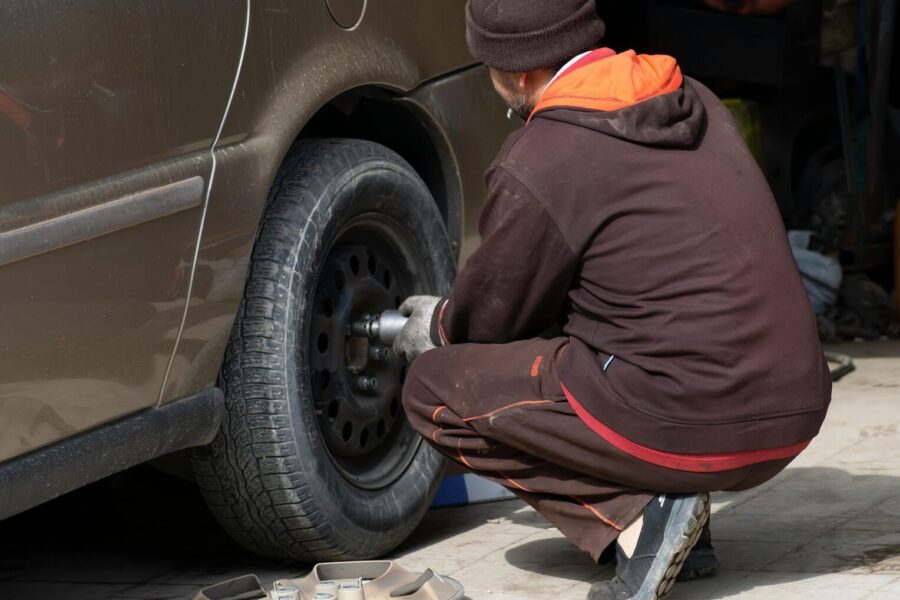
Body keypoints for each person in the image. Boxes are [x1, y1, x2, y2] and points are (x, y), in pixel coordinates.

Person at [393, 2, 832, 598]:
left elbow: (492, 321)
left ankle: (639, 516)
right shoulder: (690, 96)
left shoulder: (544, 155)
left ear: (519, 74)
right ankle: (682, 526)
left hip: (689, 420)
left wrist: (437, 323)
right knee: (603, 342)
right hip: (796, 410)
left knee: (432, 385)